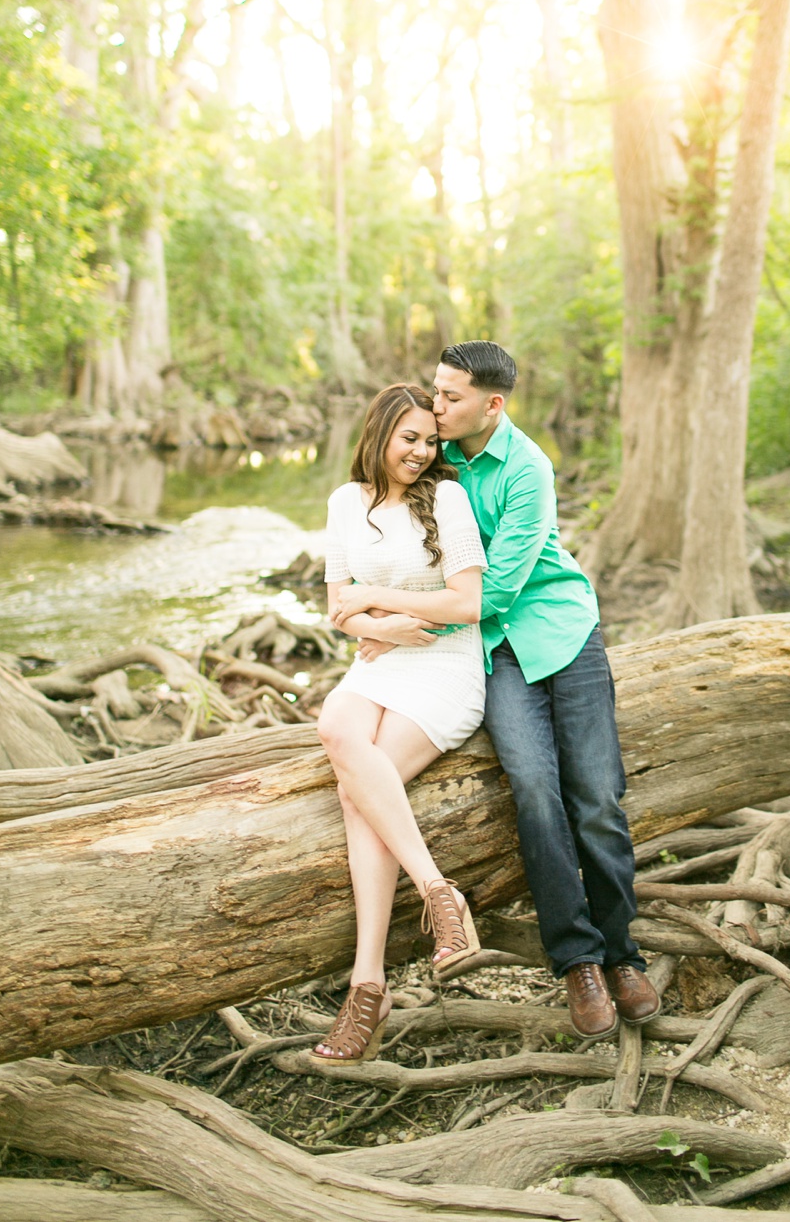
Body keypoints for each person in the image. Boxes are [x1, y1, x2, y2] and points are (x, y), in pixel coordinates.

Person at [434, 340, 659, 1038]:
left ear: (491, 404)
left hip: (561, 631)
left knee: (595, 794)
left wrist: (411, 619)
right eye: (435, 392)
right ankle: (578, 962)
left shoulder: (527, 467)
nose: (436, 406)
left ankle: (622, 954)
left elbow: (498, 587)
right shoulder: (434, 459)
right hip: (495, 650)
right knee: (534, 787)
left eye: (451, 396)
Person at [313, 383, 489, 1064]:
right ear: (380, 432)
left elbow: (467, 603)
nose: (421, 451)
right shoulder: (344, 502)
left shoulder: (446, 498)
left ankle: (367, 988)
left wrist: (382, 606)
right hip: (385, 659)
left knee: (359, 792)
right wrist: (383, 624)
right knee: (337, 731)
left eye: (430, 440)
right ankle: (438, 892)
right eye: (409, 437)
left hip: (445, 663)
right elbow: (337, 610)